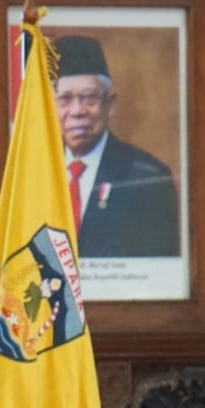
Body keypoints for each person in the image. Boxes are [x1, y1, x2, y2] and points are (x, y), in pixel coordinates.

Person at [51, 34, 181, 259]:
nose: (77, 111)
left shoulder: (149, 179)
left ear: (109, 105)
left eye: (89, 98)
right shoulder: (33, 175)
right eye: (65, 99)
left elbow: (158, 268)